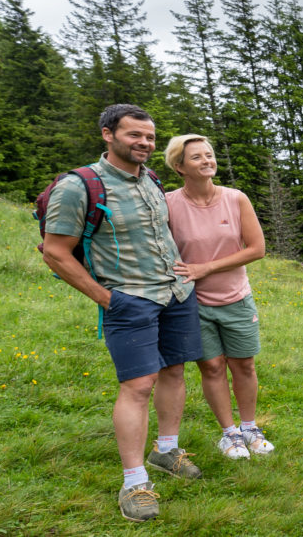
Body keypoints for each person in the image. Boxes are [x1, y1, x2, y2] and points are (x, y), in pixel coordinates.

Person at [40, 104, 203, 522]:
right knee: (137, 386)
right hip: (129, 298)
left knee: (175, 371)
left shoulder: (150, 179)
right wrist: (107, 298)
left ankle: (166, 450)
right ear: (107, 135)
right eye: (134, 135)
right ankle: (134, 482)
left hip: (176, 293)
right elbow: (56, 253)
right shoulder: (79, 187)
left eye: (149, 137)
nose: (144, 143)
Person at [162, 134, 274, 460]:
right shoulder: (169, 204)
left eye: (209, 155)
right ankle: (230, 434)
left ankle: (250, 427)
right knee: (211, 367)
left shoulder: (235, 199)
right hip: (192, 302)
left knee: (245, 365)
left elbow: (257, 249)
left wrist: (205, 268)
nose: (207, 161)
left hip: (236, 297)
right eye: (197, 157)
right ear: (179, 166)